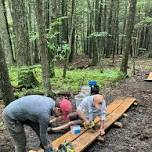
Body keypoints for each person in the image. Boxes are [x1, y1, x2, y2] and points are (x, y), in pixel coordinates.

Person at [2, 95, 72, 152]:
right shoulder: (44, 115)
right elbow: (43, 134)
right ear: (57, 109)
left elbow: (42, 132)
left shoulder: (51, 102)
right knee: (21, 142)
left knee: (43, 136)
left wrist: (47, 144)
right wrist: (47, 148)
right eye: (61, 114)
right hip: (11, 116)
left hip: (27, 113)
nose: (61, 116)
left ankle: (46, 147)